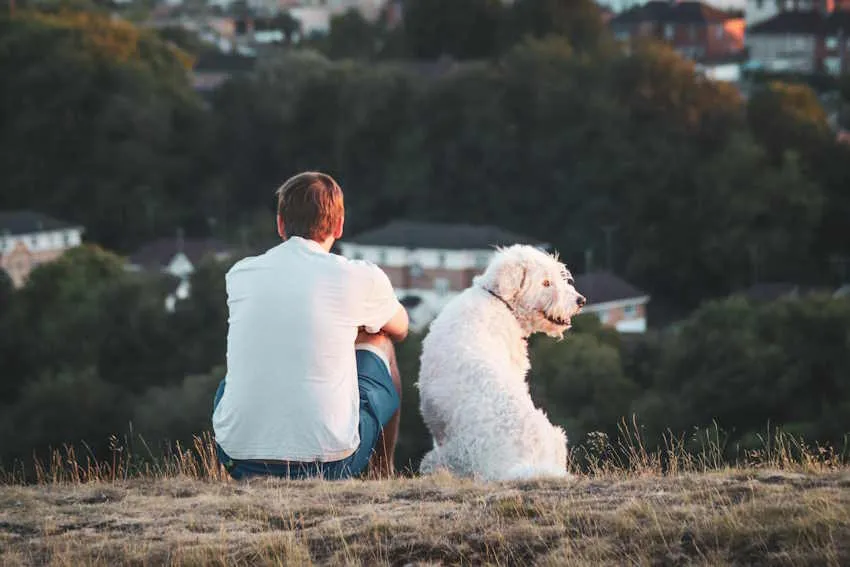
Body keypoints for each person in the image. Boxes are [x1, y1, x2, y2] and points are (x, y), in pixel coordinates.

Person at [212, 172, 408, 480]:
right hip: (330, 465)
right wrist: (353, 328)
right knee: (381, 341)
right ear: (339, 225)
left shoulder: (241, 273)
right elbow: (400, 327)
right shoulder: (359, 277)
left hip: (238, 460)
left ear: (280, 224)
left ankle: (233, 463)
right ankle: (382, 474)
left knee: (239, 375)